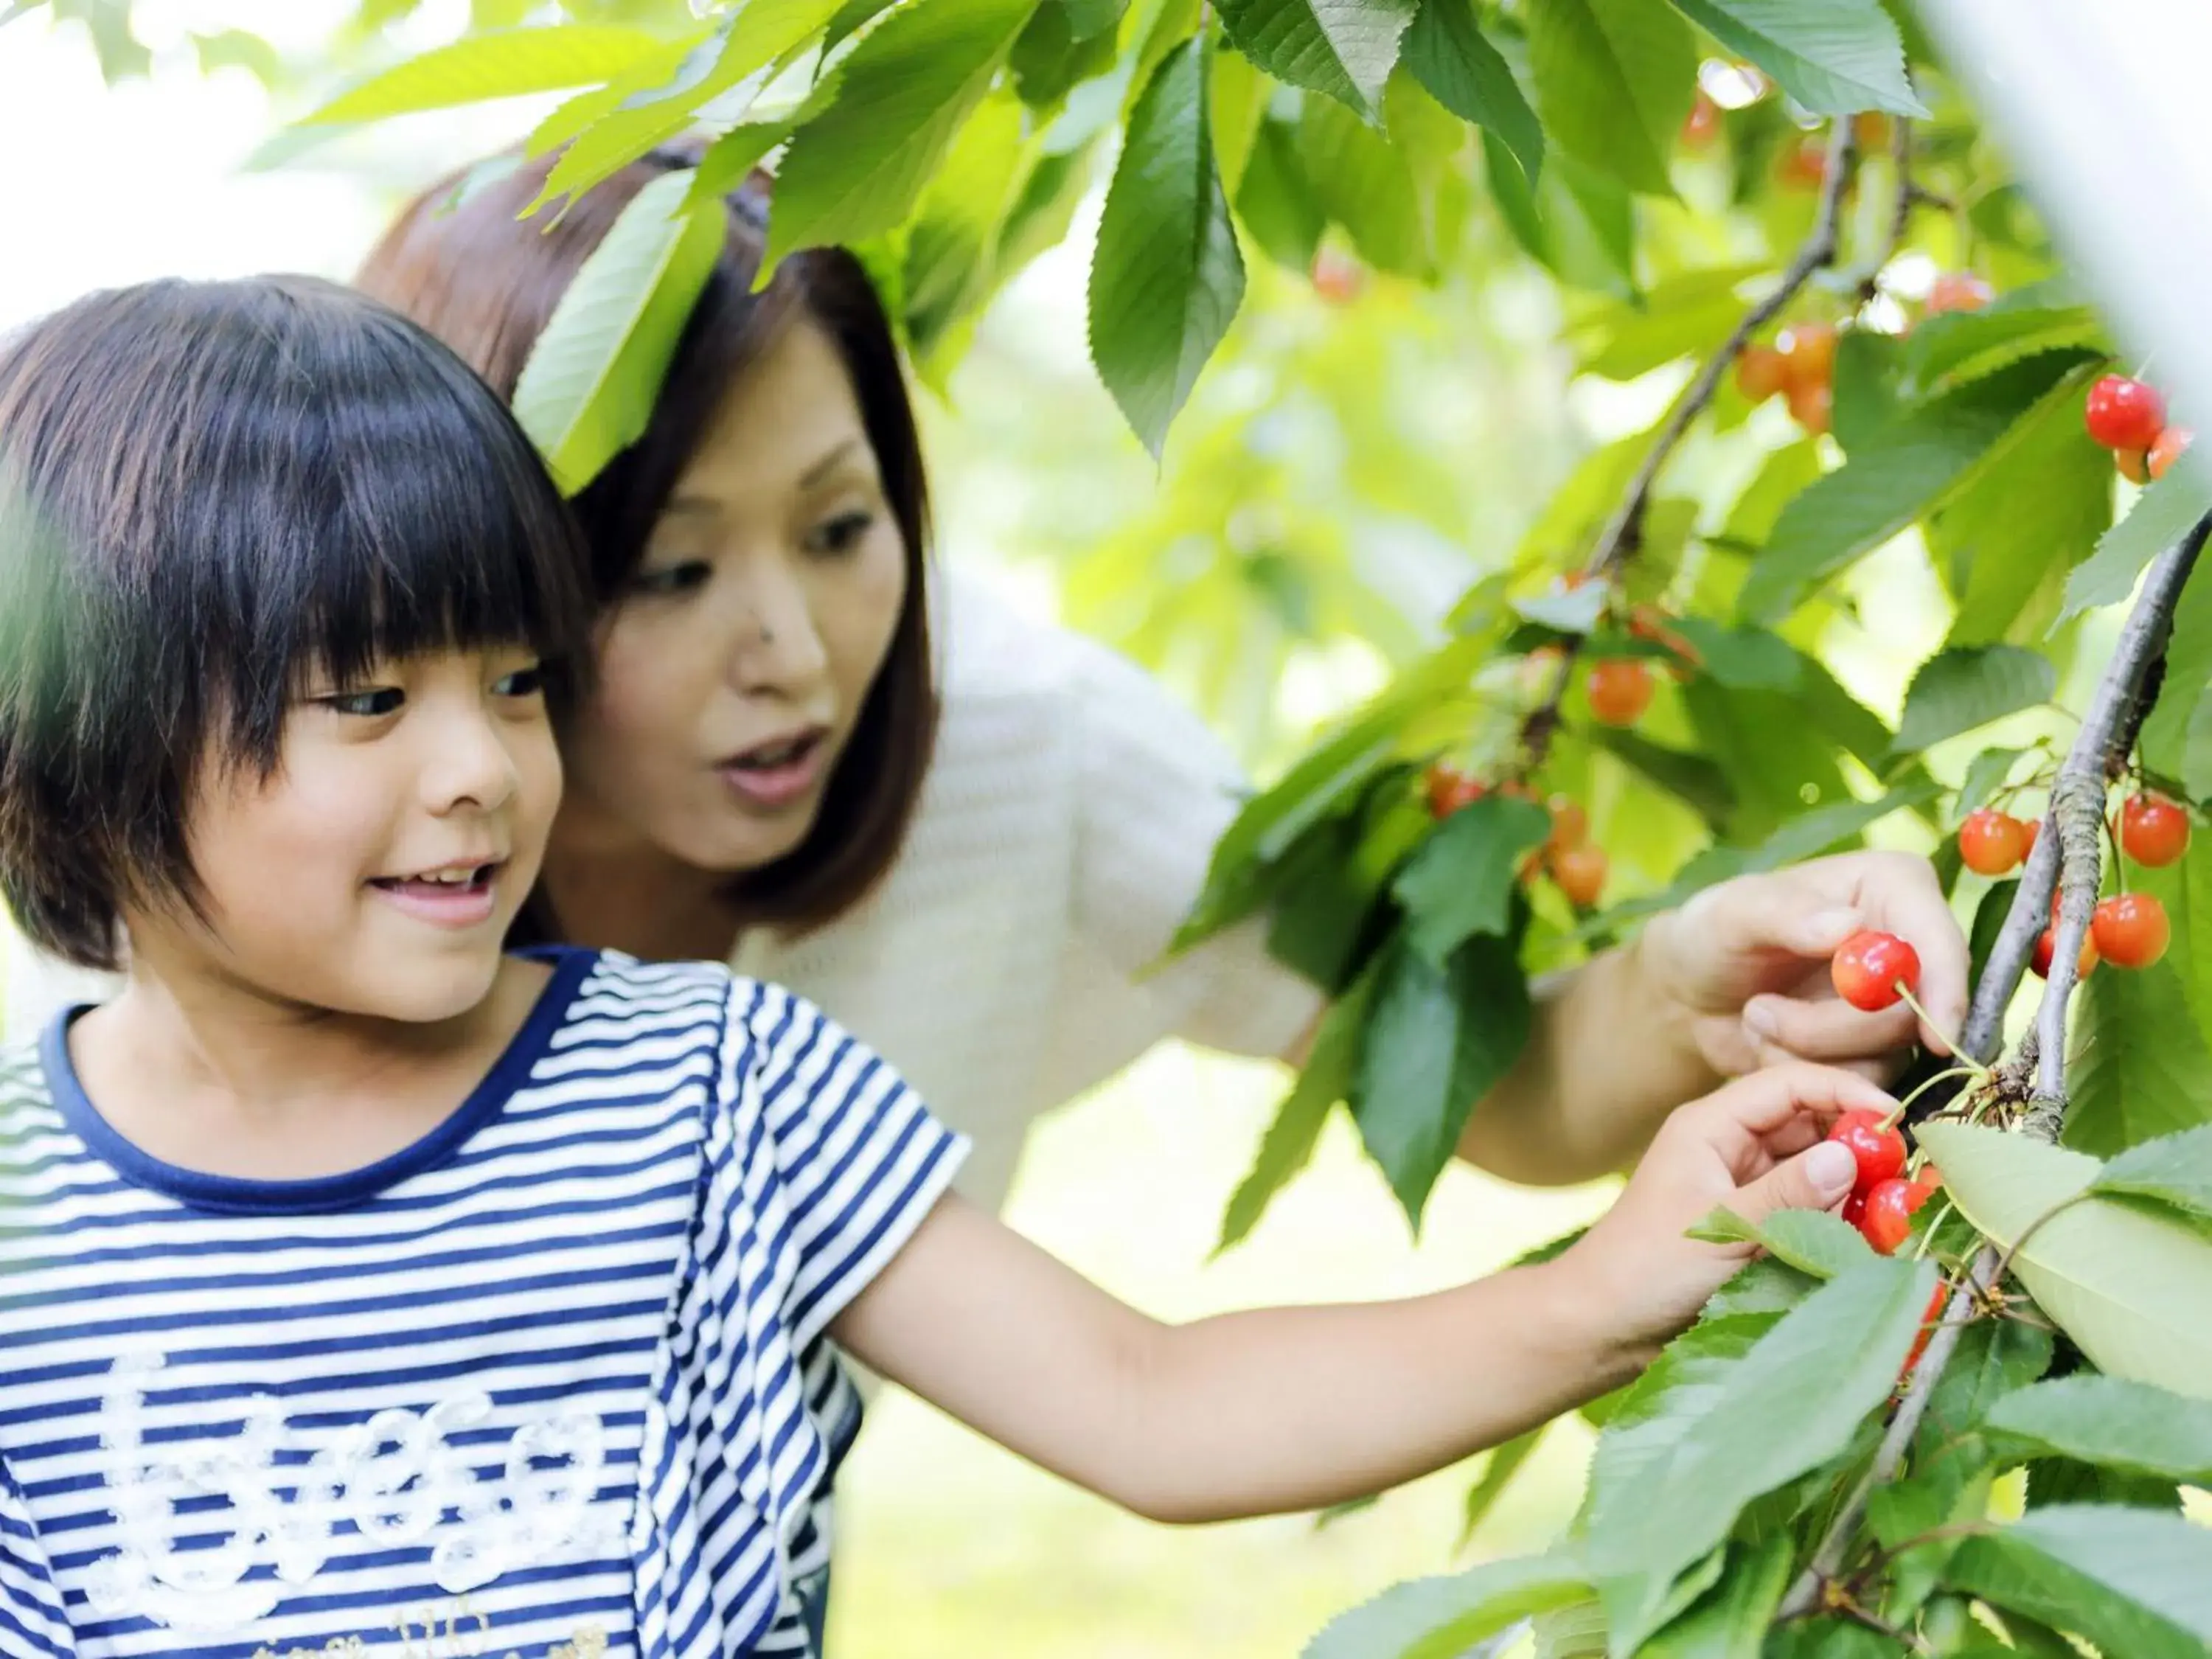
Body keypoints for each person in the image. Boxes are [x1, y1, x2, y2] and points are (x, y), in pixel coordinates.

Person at [0, 274, 1881, 1659]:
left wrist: (1605, 1293)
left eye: (513, 677)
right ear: (80, 731)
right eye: (367, 699)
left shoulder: (717, 1091)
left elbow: (1150, 1402)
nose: (483, 766)